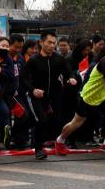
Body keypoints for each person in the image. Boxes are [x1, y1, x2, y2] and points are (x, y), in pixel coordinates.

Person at [20, 31, 77, 160]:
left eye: (54, 43)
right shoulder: (34, 60)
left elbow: (69, 72)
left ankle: (57, 142)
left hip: (54, 94)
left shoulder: (59, 59)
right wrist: (33, 90)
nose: (52, 46)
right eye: (49, 42)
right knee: (42, 120)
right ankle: (38, 148)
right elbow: (23, 77)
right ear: (41, 42)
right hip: (37, 96)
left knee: (57, 120)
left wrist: (71, 78)